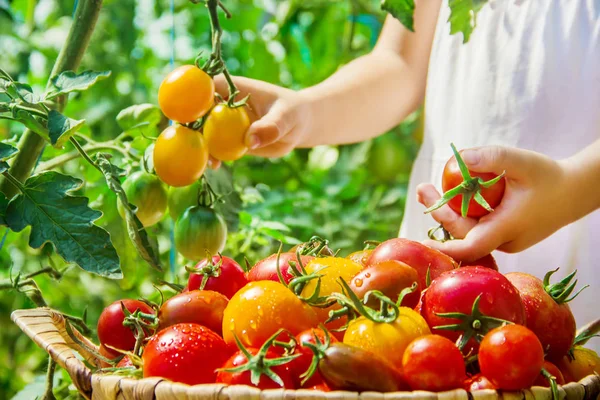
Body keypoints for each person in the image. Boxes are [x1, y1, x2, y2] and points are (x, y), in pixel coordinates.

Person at [215, 0, 600, 348]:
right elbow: (399, 64)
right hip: (443, 259)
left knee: (567, 358)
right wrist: (303, 111)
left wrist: (570, 190)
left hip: (583, 232)